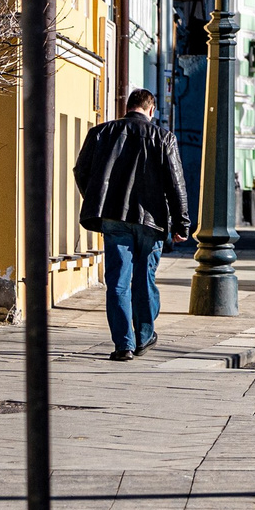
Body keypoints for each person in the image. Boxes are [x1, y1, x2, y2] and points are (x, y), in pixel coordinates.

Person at [73, 88, 191, 360]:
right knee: (144, 278)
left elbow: (82, 171)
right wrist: (181, 224)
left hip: (114, 217)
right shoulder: (164, 138)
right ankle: (145, 336)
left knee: (117, 281)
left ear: (128, 107)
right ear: (151, 110)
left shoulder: (101, 133)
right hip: (152, 221)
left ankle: (123, 345)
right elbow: (177, 184)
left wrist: (97, 200)